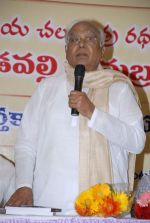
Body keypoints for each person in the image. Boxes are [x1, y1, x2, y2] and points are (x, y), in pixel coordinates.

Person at [6, 20, 145, 211]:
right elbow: (26, 143)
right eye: (74, 39)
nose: (81, 44)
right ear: (66, 49)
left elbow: (137, 142)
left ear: (102, 50)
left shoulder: (118, 89)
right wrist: (23, 185)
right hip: (49, 205)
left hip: (105, 208)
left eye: (89, 38)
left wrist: (93, 114)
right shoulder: (47, 88)